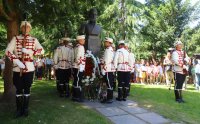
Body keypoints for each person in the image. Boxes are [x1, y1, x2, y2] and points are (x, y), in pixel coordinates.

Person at [5, 21, 44, 117]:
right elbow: (8, 51)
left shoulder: (34, 40)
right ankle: (18, 109)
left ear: (30, 29)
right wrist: (16, 61)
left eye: (27, 28)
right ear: (21, 28)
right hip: (18, 68)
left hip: (29, 68)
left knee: (27, 88)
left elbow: (42, 50)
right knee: (18, 89)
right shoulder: (16, 39)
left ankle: (25, 109)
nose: (25, 29)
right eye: (23, 27)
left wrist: (29, 51)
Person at [72, 35, 86, 102]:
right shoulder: (81, 47)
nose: (84, 41)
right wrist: (80, 65)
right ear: (80, 40)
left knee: (75, 81)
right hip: (78, 66)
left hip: (75, 66)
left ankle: (75, 95)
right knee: (77, 81)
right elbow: (78, 58)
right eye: (83, 40)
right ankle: (77, 97)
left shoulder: (76, 47)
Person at [101, 37, 115, 103]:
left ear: (109, 43)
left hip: (107, 69)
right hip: (108, 68)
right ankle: (106, 97)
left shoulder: (109, 50)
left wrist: (104, 68)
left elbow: (107, 60)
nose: (104, 43)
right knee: (108, 84)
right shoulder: (108, 49)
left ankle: (109, 98)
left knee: (109, 84)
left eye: (106, 42)